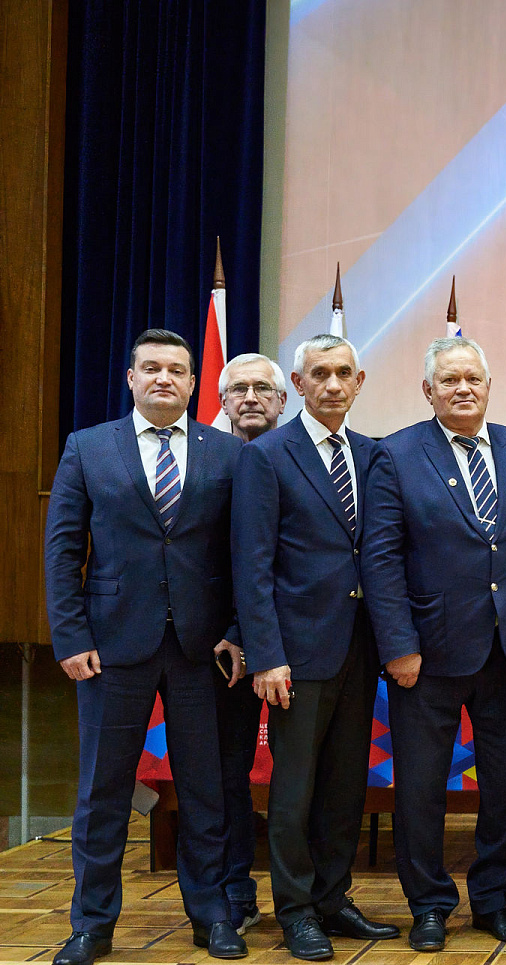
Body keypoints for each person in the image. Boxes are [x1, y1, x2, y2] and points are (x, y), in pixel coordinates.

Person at [43, 329, 248, 965]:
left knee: (205, 791)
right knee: (103, 792)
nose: (165, 379)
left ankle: (212, 914)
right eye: (151, 368)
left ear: (194, 384)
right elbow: (62, 550)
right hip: (111, 649)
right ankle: (91, 923)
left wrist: (238, 632)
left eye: (178, 371)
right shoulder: (88, 448)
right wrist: (71, 636)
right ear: (130, 378)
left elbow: (249, 555)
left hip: (199, 649)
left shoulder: (229, 455)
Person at [362, 337, 506, 951]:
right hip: (427, 654)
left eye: (473, 378)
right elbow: (381, 557)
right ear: (428, 392)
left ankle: (494, 899)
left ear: (489, 386)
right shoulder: (396, 454)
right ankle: (430, 905)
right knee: (420, 787)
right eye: (450, 380)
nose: (463, 388)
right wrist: (397, 644)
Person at [232, 333, 400, 961]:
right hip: (296, 654)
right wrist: (267, 654)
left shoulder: (373, 454)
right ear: (297, 386)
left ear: (360, 383)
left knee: (344, 786)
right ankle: (296, 910)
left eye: (344, 374)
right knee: (295, 789)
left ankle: (334, 898)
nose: (333, 385)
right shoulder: (268, 457)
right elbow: (252, 566)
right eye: (319, 374)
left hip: (360, 650)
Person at [210, 352, 289, 934]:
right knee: (226, 774)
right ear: (220, 399)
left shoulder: (299, 458)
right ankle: (234, 892)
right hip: (218, 653)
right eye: (239, 389)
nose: (251, 398)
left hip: (297, 644)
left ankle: (306, 894)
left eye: (264, 388)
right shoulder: (206, 460)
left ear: (284, 400)